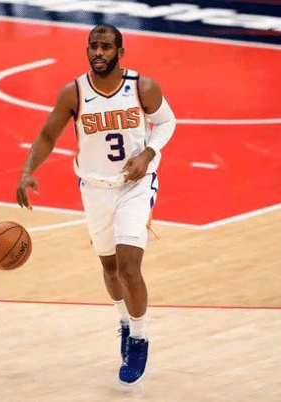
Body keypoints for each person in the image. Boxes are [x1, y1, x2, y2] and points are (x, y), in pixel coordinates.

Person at [16, 24, 176, 385]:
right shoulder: (73, 93)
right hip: (94, 188)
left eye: (105, 47)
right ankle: (124, 321)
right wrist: (27, 171)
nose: (98, 53)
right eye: (93, 46)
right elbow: (47, 135)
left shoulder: (142, 87)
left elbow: (167, 122)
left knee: (129, 266)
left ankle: (139, 338)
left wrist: (148, 153)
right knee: (110, 267)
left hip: (135, 185)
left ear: (120, 52)